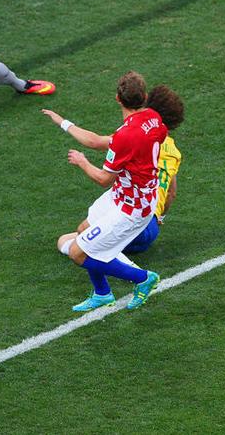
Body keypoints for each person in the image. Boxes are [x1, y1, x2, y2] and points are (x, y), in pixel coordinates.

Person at [43, 71, 166, 312]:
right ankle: (102, 293)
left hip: (132, 207)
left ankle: (143, 278)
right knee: (83, 230)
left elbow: (102, 179)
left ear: (118, 99)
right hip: (127, 195)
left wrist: (82, 162)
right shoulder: (152, 118)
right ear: (144, 97)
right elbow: (97, 141)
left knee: (78, 253)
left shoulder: (125, 136)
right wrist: (63, 122)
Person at [49, 84, 184, 255]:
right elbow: (171, 193)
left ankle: (125, 264)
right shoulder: (173, 152)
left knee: (70, 244)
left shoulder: (136, 136)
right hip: (151, 226)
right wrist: (160, 217)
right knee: (84, 236)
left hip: (133, 219)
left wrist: (65, 125)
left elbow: (95, 143)